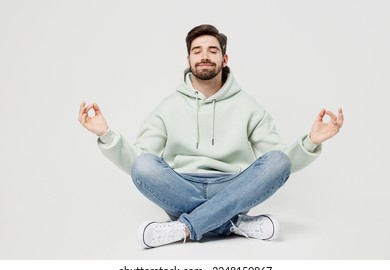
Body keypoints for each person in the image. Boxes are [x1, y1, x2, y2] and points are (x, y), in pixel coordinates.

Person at [78, 24, 344, 249]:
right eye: (197, 51)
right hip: (181, 187)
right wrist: (106, 135)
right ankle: (231, 224)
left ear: (224, 59)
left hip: (232, 186)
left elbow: (278, 161)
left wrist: (312, 141)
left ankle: (184, 228)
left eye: (212, 50)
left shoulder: (248, 106)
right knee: (144, 166)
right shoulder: (168, 107)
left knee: (278, 162)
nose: (204, 56)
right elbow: (139, 160)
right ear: (188, 60)